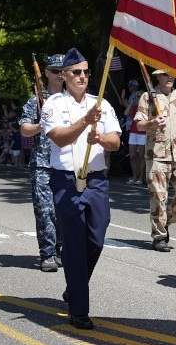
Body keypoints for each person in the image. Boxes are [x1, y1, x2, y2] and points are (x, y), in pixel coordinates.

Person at [41, 48, 121, 330]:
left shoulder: (102, 103)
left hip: (96, 180)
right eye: (76, 72)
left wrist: (99, 136)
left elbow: (115, 142)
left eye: (86, 72)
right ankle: (79, 309)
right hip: (65, 180)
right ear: (64, 76)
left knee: (97, 239)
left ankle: (75, 286)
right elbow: (60, 139)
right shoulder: (52, 104)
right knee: (74, 244)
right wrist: (85, 121)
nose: (83, 77)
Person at [134, 69, 176, 252]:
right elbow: (139, 124)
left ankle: (165, 222)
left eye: (171, 74)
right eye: (165, 74)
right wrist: (153, 123)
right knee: (159, 198)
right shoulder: (147, 97)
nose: (169, 77)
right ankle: (159, 237)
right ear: (157, 77)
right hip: (157, 156)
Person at [19, 53, 65, 273]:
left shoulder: (73, 101)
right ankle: (47, 254)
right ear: (46, 72)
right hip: (43, 164)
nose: (60, 75)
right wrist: (39, 126)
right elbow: (24, 128)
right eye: (55, 71)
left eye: (63, 71)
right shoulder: (35, 100)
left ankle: (59, 248)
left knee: (63, 211)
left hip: (66, 163)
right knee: (45, 211)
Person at [123, 80, 145, 185]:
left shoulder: (147, 109)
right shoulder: (134, 107)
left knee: (141, 155)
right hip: (133, 132)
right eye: (137, 97)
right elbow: (126, 112)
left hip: (143, 133)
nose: (138, 98)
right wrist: (132, 102)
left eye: (140, 97)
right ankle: (135, 176)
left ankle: (140, 178)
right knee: (132, 156)